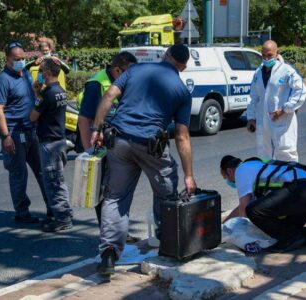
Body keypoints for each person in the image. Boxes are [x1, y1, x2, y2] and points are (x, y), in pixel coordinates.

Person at [90, 44, 197, 275]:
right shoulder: (181, 90)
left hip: (119, 142)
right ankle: (167, 244)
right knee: (166, 194)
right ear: (184, 66)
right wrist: (189, 175)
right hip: (152, 148)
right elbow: (181, 136)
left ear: (165, 55)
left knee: (115, 197)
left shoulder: (135, 70)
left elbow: (109, 95)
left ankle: (108, 253)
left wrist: (96, 129)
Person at [220, 155, 306, 254]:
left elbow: (244, 210)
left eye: (226, 177)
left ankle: (290, 239)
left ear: (230, 171)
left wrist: (250, 234)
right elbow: (241, 208)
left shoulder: (241, 169)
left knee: (254, 212)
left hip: (300, 191)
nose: (229, 182)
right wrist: (222, 225)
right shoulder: (258, 167)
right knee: (285, 230)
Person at [0, 42, 51, 223]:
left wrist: (42, 76)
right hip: (15, 133)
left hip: (32, 130)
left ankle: (52, 208)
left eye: (23, 58)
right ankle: (22, 212)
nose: (21, 61)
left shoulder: (24, 73)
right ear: (7, 59)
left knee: (43, 171)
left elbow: (34, 89)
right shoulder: (3, 79)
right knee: (19, 175)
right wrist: (5, 136)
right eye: (17, 59)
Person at [30, 57, 74, 232]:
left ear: (47, 73)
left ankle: (62, 219)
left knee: (53, 181)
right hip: (59, 140)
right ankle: (64, 214)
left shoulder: (48, 93)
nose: (39, 74)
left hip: (50, 142)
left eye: (41, 71)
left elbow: (33, 116)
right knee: (58, 180)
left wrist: (36, 95)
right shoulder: (59, 90)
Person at [246, 40, 306, 162]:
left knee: (286, 157)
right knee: (265, 157)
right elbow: (254, 97)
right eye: (263, 55)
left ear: (277, 53)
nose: (266, 59)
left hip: (282, 123)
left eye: (269, 55)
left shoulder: (287, 71)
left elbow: (301, 91)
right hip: (263, 126)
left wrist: (285, 109)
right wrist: (251, 118)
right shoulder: (258, 73)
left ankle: (291, 180)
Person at [78, 51, 138, 150]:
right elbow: (84, 121)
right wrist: (89, 152)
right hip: (99, 146)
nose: (132, 77)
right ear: (117, 70)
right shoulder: (96, 85)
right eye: (129, 73)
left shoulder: (124, 83)